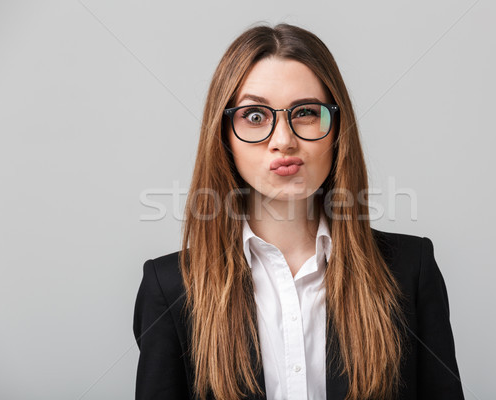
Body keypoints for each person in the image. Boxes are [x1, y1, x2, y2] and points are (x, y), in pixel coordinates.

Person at [133, 22, 465, 400]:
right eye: (255, 116)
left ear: (337, 127)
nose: (284, 141)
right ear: (224, 135)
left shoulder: (410, 271)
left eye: (306, 112)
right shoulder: (170, 287)